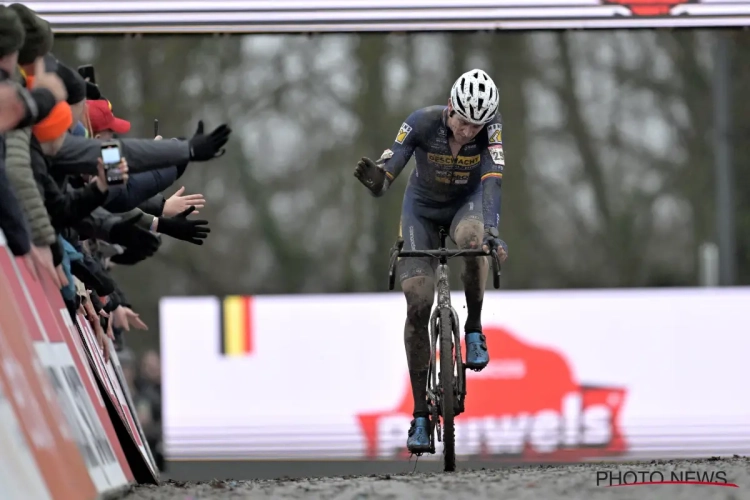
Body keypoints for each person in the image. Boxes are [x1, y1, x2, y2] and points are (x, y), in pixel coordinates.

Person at [353, 69, 510, 454]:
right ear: (450, 108)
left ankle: (473, 328)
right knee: (418, 301)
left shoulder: (491, 129)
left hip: (465, 206)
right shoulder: (420, 121)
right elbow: (389, 172)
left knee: (474, 242)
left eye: (478, 125)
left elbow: (492, 177)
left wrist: (491, 230)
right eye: (463, 121)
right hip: (420, 210)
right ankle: (420, 414)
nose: (469, 132)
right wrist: (378, 179)